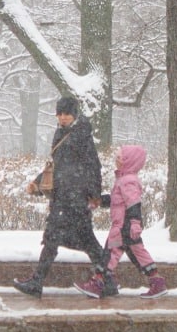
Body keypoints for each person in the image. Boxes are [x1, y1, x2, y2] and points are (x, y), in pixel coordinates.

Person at [12, 96, 108, 298]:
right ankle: (107, 280)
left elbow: (93, 167)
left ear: (74, 114)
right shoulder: (63, 133)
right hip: (64, 197)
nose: (63, 117)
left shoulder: (81, 135)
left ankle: (107, 280)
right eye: (60, 114)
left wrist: (93, 194)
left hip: (75, 198)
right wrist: (38, 183)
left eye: (67, 114)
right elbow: (57, 168)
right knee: (62, 239)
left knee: (76, 239)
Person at [74, 144, 168, 299]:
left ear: (129, 161)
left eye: (119, 158)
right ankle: (157, 282)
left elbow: (133, 203)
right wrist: (100, 201)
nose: (116, 161)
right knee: (138, 254)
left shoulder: (128, 181)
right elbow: (117, 200)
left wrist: (134, 223)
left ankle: (97, 283)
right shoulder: (124, 180)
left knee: (110, 254)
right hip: (126, 225)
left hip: (124, 225)